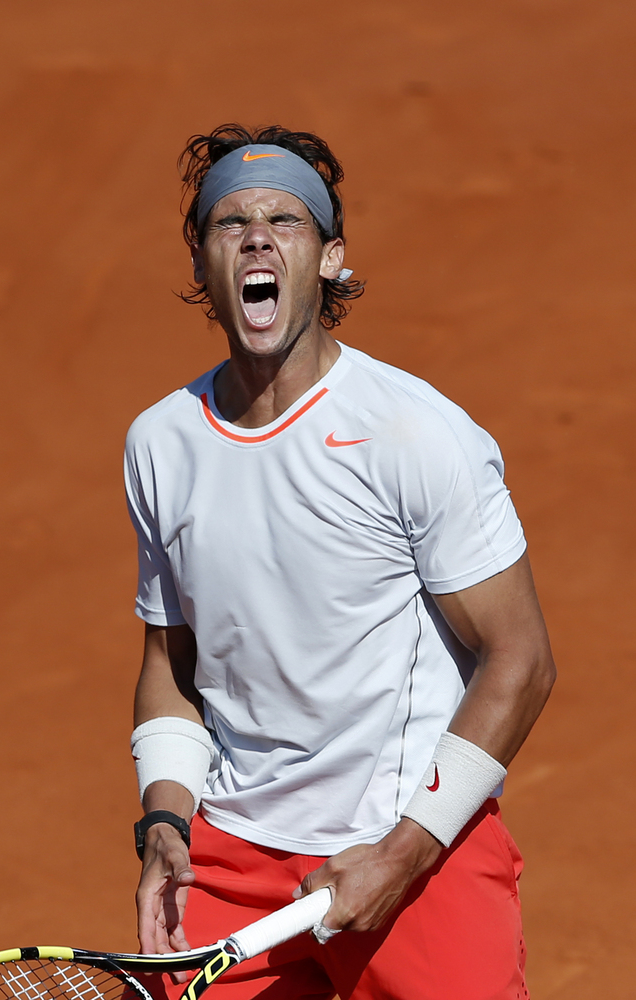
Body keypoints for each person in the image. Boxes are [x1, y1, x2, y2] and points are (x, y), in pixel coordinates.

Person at [124, 123, 556, 1000]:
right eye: (231, 222)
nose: (256, 237)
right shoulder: (160, 443)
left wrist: (404, 852)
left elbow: (521, 660)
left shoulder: (414, 433)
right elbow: (171, 662)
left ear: (329, 258)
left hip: (414, 846)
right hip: (233, 862)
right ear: (203, 260)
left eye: (285, 220)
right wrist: (165, 816)